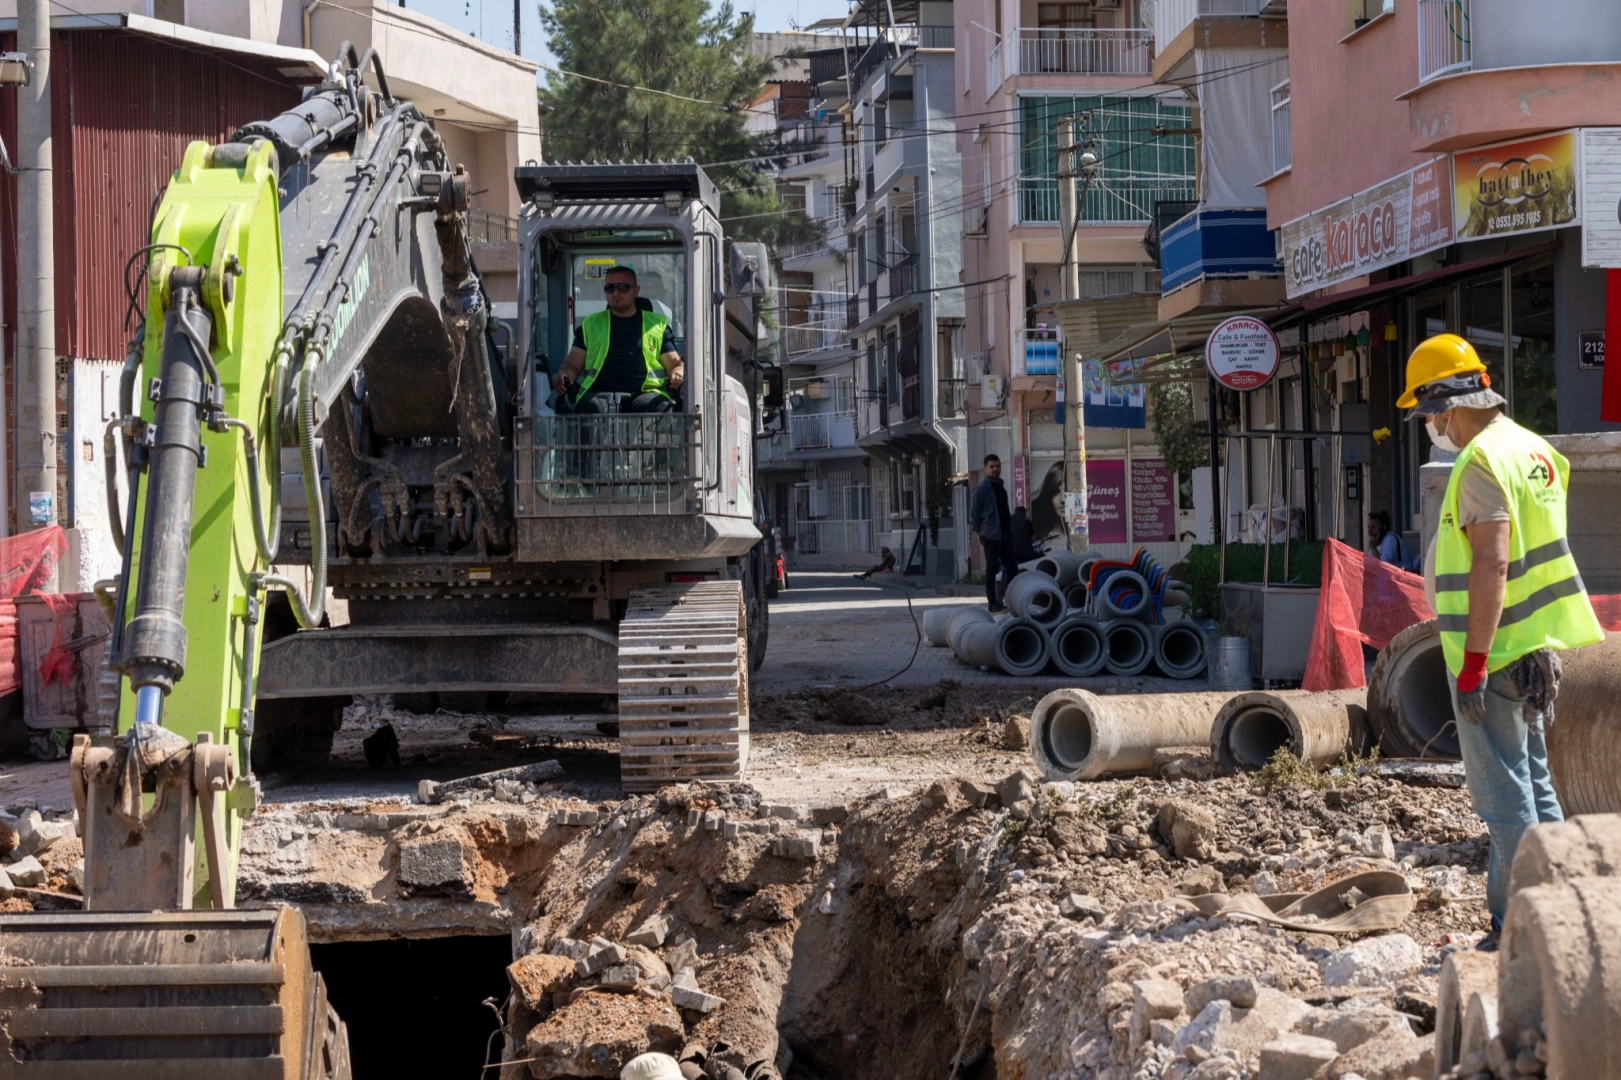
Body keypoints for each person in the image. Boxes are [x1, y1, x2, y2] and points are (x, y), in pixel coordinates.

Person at [1401, 332, 1603, 949]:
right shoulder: (1533, 450)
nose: (1433, 426)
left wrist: (1472, 668)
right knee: (1536, 784)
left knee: (1504, 797)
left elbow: (1491, 563)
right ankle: (1564, 906)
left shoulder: (1482, 460)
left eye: (1430, 413)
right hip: (1533, 647)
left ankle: (1515, 926)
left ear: (1451, 401)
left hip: (1491, 656)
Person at [552, 266, 684, 414]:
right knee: (590, 408)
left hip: (645, 393)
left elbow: (676, 365)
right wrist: (565, 375)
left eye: (623, 287)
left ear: (636, 290)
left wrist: (678, 373)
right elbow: (571, 366)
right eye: (610, 288)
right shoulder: (591, 324)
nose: (615, 293)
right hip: (598, 393)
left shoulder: (657, 325)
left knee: (658, 407)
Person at [969, 454, 1017, 612]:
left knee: (1012, 567)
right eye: (992, 467)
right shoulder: (981, 489)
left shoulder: (1001, 486)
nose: (995, 469)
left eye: (998, 466)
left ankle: (1009, 599)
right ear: (985, 468)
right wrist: (979, 532)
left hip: (1004, 534)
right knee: (992, 569)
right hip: (990, 534)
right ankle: (993, 603)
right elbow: (974, 513)